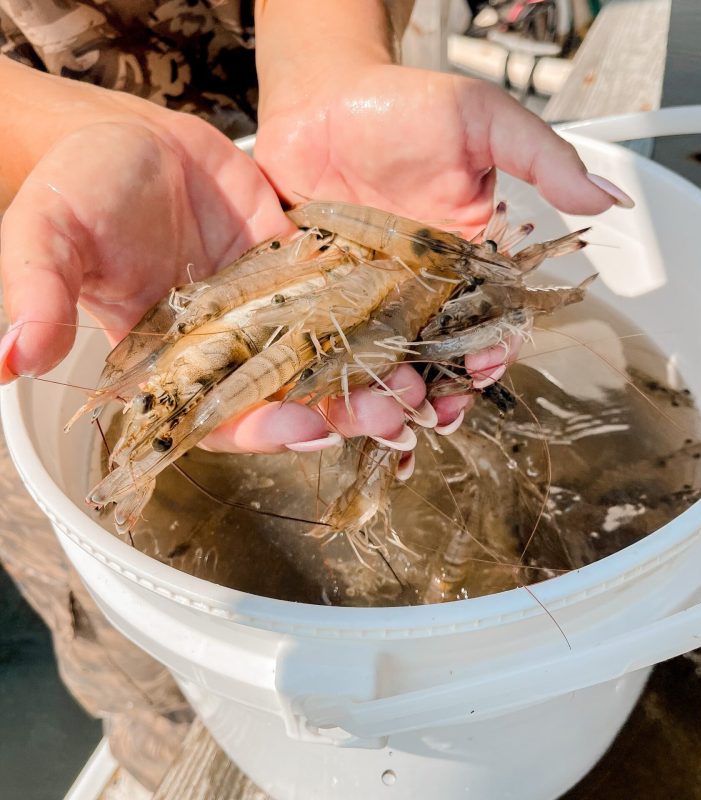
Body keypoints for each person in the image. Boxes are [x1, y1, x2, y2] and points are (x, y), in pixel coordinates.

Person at [0, 0, 633, 789]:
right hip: (49, 225)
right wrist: (41, 134)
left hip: (280, 178)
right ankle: (176, 748)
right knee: (139, 656)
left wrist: (330, 59)